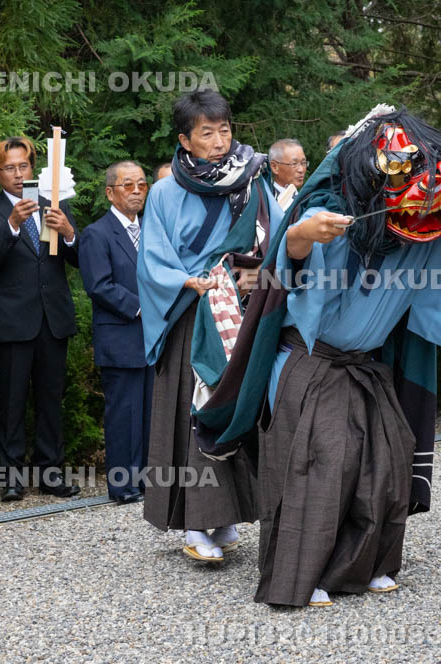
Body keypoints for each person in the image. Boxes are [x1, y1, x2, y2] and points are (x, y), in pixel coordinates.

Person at [194, 107, 441, 607]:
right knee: (324, 461)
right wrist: (310, 232)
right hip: (310, 362)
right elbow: (293, 244)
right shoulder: (330, 208)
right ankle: (305, 575)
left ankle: (365, 565)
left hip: (365, 364)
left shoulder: (428, 231)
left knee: (388, 460)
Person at [137, 90, 283, 562]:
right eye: (207, 133)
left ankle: (226, 517)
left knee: (235, 407)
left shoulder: (253, 181)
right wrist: (188, 280)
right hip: (189, 314)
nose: (220, 142)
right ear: (184, 139)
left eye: (224, 130)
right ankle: (196, 523)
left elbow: (277, 237)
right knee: (195, 411)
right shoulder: (163, 192)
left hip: (237, 310)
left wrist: (256, 272)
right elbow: (152, 258)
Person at [0, 136, 82, 501]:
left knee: (51, 399)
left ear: (32, 169)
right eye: (10, 168)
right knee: (13, 401)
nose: (18, 174)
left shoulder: (56, 204)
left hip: (53, 318)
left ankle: (51, 474)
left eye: (24, 166)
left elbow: (80, 259)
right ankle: (11, 478)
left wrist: (68, 234)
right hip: (13, 321)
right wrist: (13, 225)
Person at [79, 162, 154, 505]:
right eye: (128, 185)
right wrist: (143, 306)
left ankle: (149, 481)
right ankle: (123, 485)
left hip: (154, 337)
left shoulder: (153, 230)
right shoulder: (97, 233)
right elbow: (99, 285)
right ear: (110, 192)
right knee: (123, 414)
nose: (137, 190)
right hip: (121, 335)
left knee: (150, 411)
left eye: (141, 184)